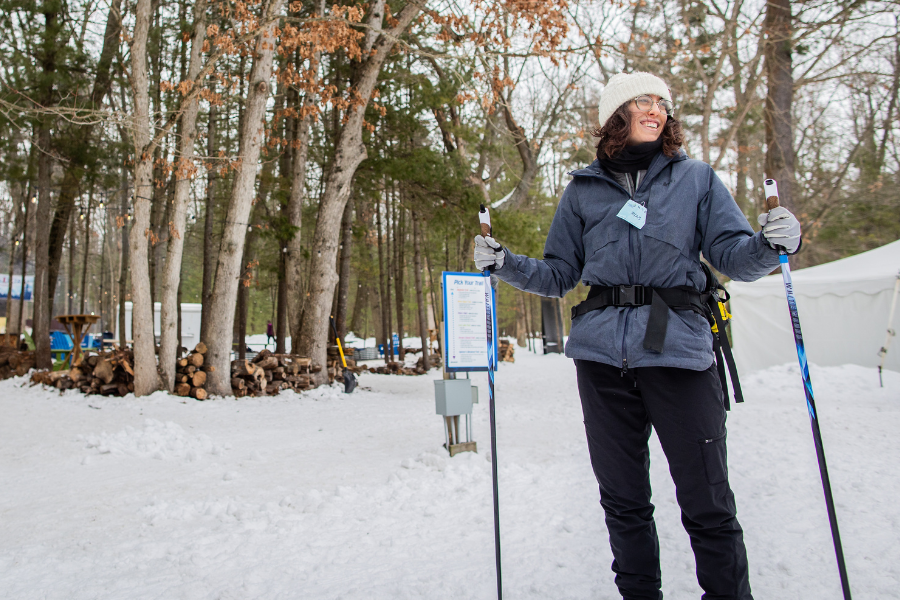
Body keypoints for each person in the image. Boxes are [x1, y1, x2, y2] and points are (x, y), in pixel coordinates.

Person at [474, 71, 801, 600]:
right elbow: (560, 273)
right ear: (615, 115)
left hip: (679, 352)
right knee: (623, 503)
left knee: (707, 500)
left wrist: (772, 244)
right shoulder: (582, 189)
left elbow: (735, 257)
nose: (657, 108)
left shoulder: (696, 178)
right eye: (643, 100)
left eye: (662, 102)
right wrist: (504, 264)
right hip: (602, 361)